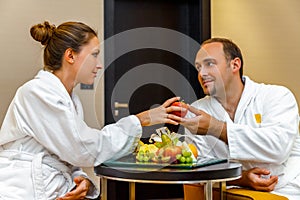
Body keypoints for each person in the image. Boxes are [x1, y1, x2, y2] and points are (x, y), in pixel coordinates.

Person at [0, 21, 184, 200]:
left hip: (52, 186)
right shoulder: (37, 92)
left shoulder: (71, 100)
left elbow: (68, 154)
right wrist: (139, 120)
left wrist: (82, 182)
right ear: (70, 56)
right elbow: (83, 149)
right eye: (94, 55)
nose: (99, 65)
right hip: (23, 189)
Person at [175, 38, 300, 199]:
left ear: (235, 65)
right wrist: (242, 178)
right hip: (234, 190)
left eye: (210, 64)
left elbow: (278, 148)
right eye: (198, 67)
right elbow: (199, 166)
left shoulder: (277, 96)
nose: (202, 73)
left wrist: (216, 128)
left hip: (288, 188)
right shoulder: (198, 110)